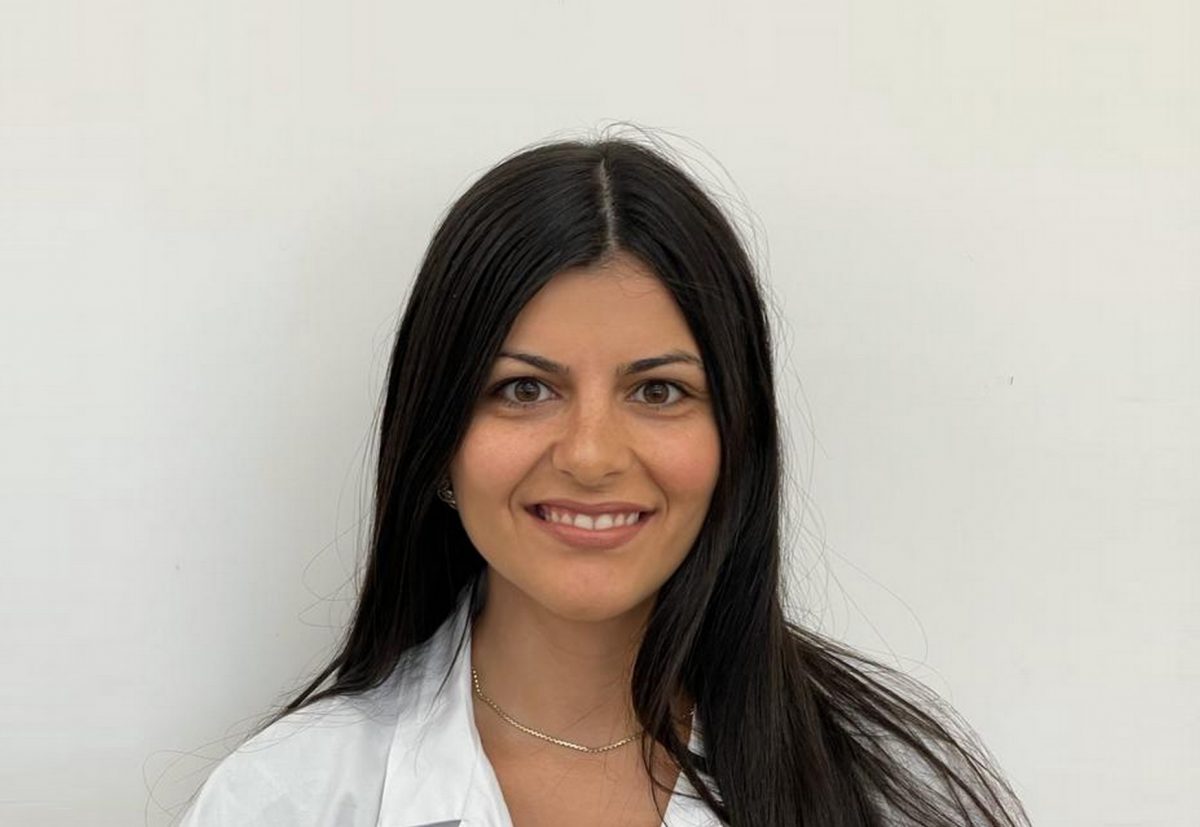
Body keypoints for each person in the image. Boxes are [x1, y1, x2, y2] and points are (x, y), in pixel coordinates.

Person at [179, 135, 1030, 826]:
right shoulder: (287, 800)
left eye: (658, 391)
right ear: (438, 444)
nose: (591, 455)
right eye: (524, 389)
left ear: (737, 441)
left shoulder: (891, 793)